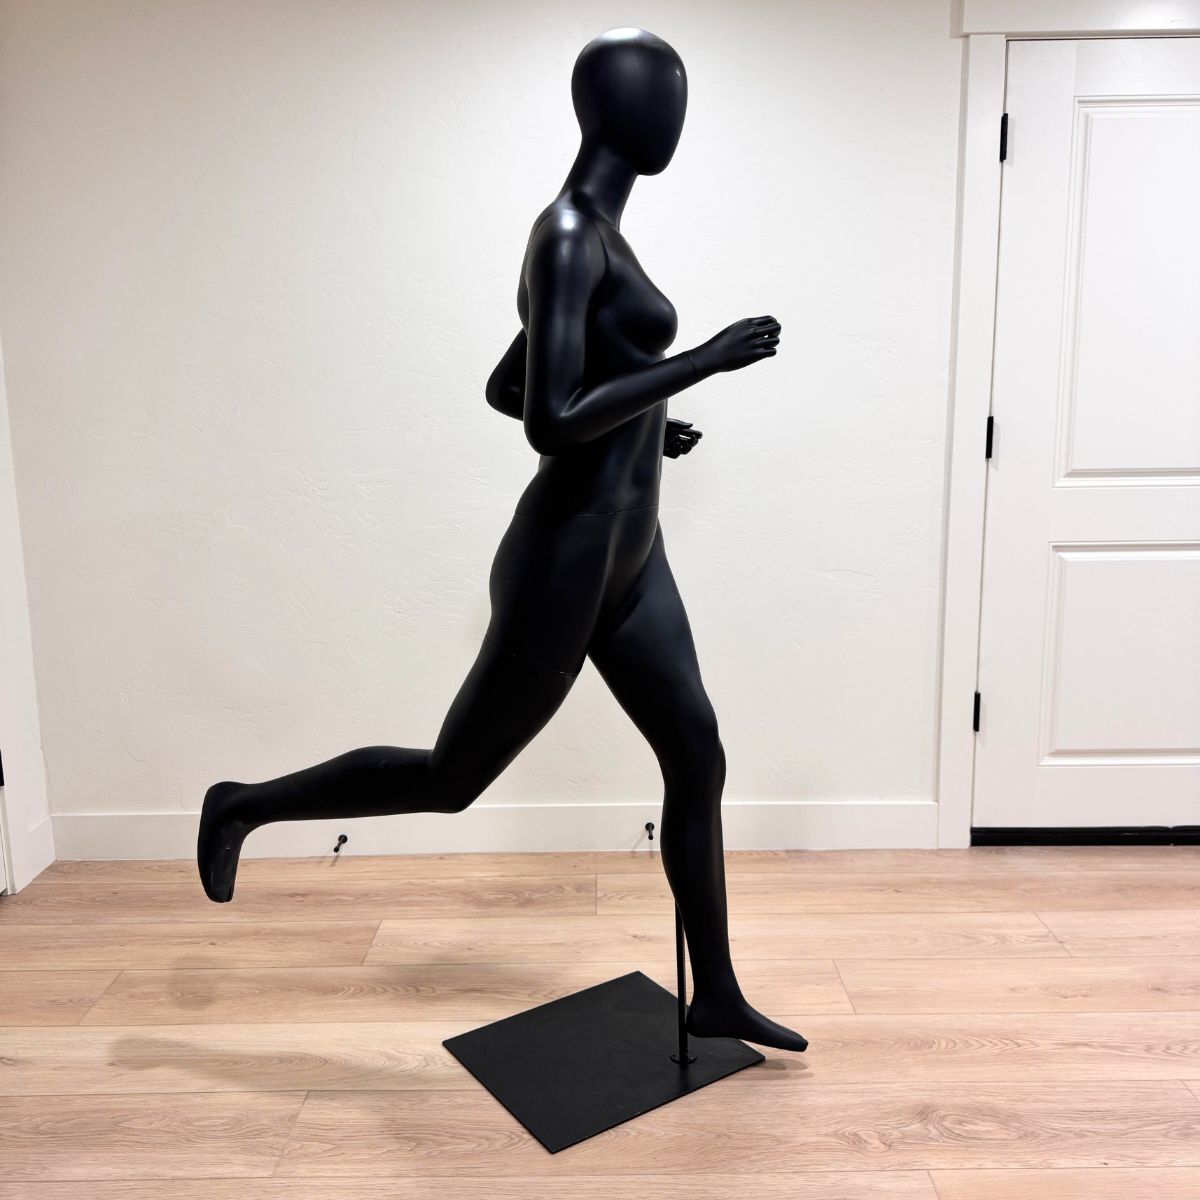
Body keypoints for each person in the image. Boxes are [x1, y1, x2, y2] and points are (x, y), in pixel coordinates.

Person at [198, 27, 806, 1052]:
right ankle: (242, 805)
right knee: (453, 778)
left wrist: (652, 424)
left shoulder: (605, 236)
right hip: (566, 553)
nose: (675, 115)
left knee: (696, 753)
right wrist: (699, 362)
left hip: (633, 551)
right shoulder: (567, 235)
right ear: (611, 109)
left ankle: (715, 994)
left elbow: (505, 383)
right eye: (662, 95)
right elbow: (549, 422)